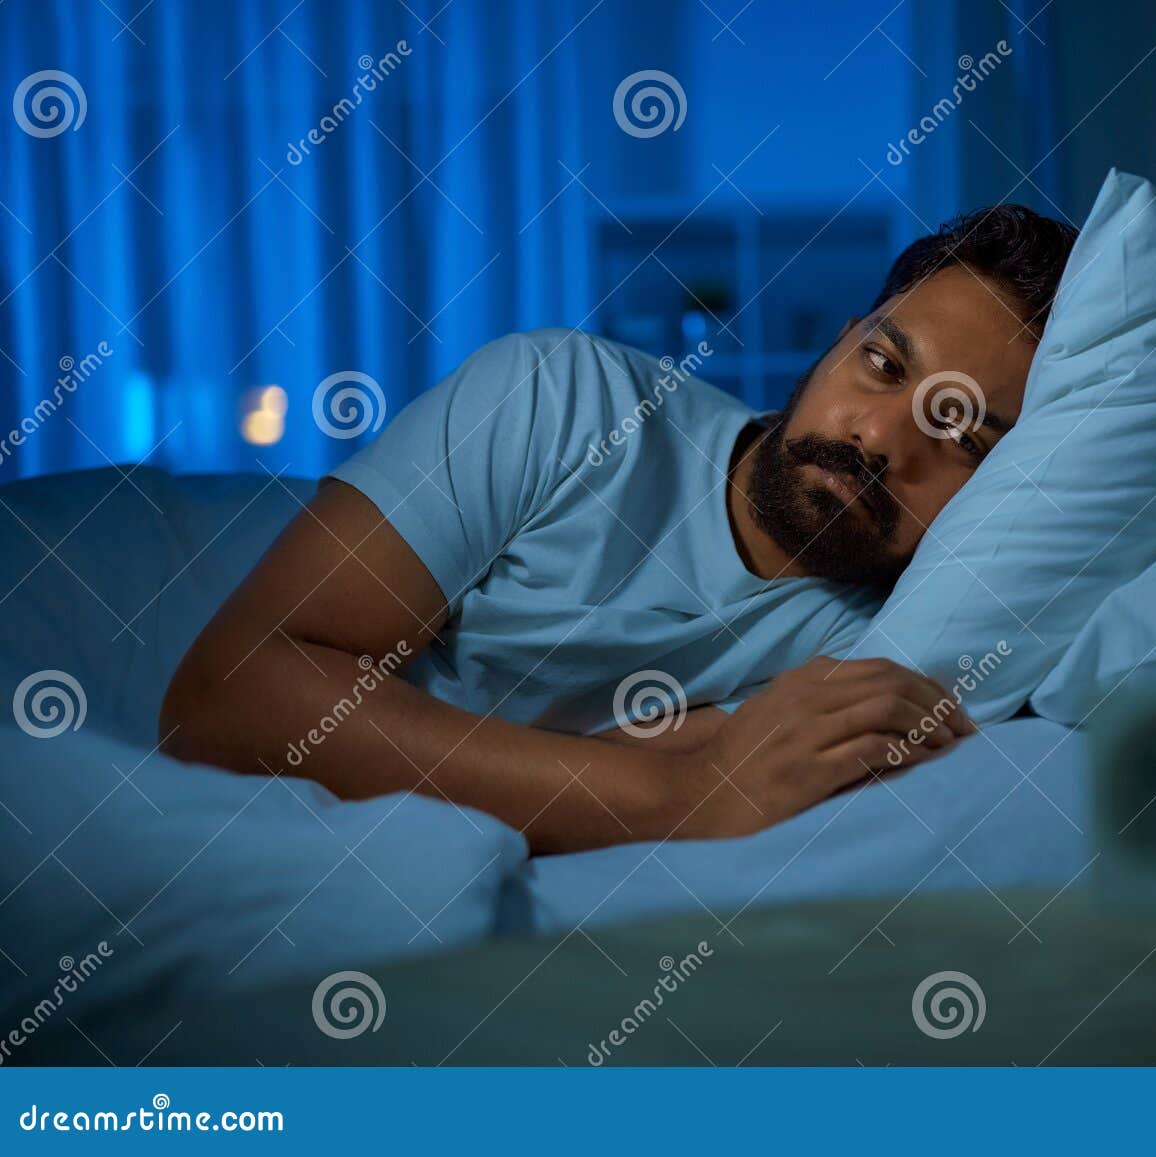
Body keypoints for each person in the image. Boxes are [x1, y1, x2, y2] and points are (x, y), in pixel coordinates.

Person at [159, 205, 1077, 854]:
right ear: (839, 339)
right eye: (880, 363)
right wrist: (689, 789)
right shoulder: (557, 398)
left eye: (958, 434)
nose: (876, 438)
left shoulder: (899, 637)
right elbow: (221, 699)